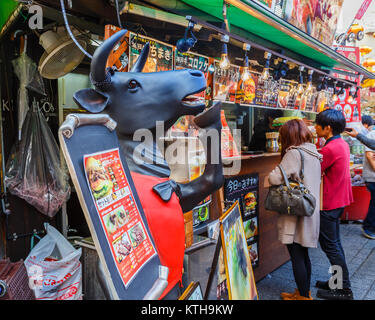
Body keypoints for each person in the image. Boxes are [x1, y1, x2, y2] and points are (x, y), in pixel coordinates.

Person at [268, 119, 322, 300]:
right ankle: (303, 291)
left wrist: (273, 173)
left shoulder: (294, 153)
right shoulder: (313, 152)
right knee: (303, 253)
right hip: (308, 208)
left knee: (296, 254)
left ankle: (303, 297)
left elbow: (274, 178)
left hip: (295, 211)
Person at [314, 108, 354, 300]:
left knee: (331, 246)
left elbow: (314, 171)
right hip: (339, 200)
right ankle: (337, 282)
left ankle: (344, 289)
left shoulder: (329, 148)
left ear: (327, 128)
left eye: (317, 124)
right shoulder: (341, 143)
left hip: (330, 202)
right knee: (334, 244)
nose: (314, 127)